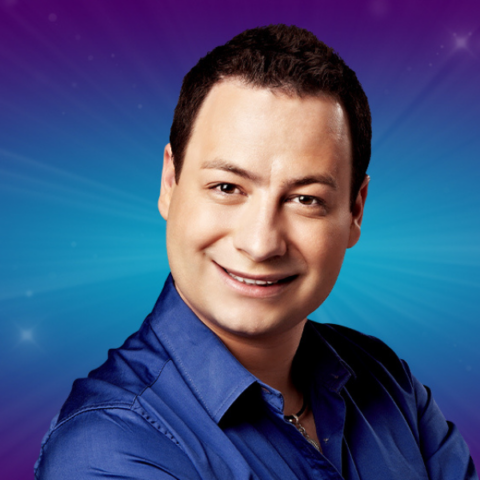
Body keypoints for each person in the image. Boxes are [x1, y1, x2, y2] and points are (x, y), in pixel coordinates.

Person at [35, 24, 477, 480]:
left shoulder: (389, 384)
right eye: (227, 187)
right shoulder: (109, 449)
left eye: (305, 199)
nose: (261, 243)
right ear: (170, 183)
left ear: (354, 211)